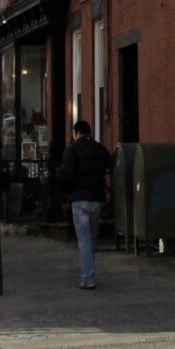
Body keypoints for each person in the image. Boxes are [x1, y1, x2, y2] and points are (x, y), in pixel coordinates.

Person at [58, 118, 112, 290]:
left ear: (76, 133)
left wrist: (66, 193)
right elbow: (110, 164)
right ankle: (90, 271)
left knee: (83, 240)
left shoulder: (71, 150)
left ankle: (88, 278)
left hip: (79, 199)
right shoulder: (100, 149)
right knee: (92, 237)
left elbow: (66, 175)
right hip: (96, 199)